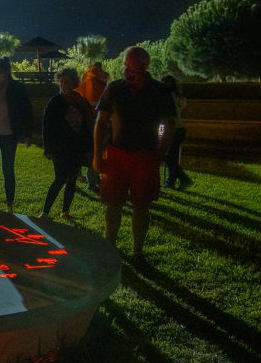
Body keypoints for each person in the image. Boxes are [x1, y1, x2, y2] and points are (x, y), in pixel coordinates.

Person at [93, 46, 176, 255]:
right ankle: (110, 247)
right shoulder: (114, 88)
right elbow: (101, 122)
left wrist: (160, 153)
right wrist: (97, 154)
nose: (129, 73)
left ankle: (137, 250)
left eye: (134, 69)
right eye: (127, 67)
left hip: (145, 155)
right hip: (117, 153)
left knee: (141, 205)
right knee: (113, 203)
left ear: (144, 68)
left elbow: (170, 123)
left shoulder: (159, 91)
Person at [0, 58, 34, 213]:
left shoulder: (17, 88)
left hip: (8, 134)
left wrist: (28, 133)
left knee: (8, 170)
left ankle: (9, 204)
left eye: (0, 72)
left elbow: (26, 111)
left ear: (8, 72)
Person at [41, 67, 95, 220]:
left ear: (74, 83)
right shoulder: (55, 101)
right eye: (61, 81)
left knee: (72, 179)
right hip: (60, 147)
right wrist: (48, 148)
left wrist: (88, 148)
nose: (63, 84)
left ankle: (65, 211)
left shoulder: (81, 102)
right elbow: (47, 126)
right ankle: (45, 211)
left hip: (76, 147)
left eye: (67, 82)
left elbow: (87, 126)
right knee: (60, 178)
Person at [77, 61, 109, 187]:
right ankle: (93, 180)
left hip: (84, 122)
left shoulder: (84, 81)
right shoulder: (103, 84)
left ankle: (80, 175)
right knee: (96, 150)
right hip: (98, 122)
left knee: (83, 150)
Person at [161, 75, 192, 189]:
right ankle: (173, 182)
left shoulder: (169, 97)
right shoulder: (177, 96)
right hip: (179, 129)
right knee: (171, 157)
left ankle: (180, 180)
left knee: (168, 156)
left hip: (173, 129)